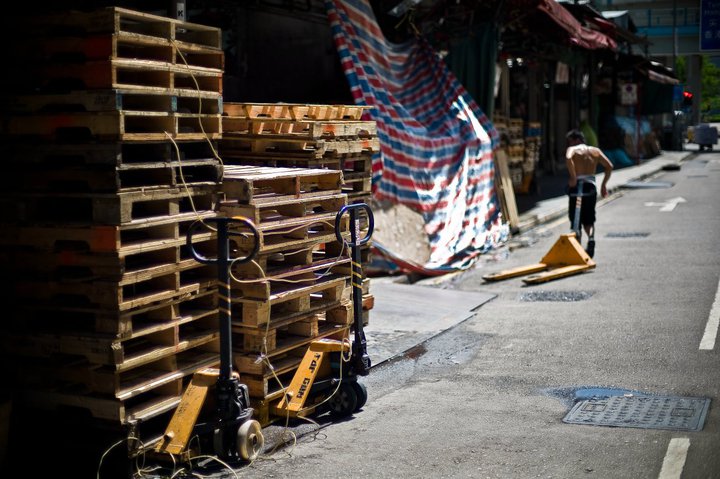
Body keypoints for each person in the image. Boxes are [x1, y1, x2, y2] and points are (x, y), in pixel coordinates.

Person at [565, 129, 613, 258]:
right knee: (589, 219)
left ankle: (578, 251)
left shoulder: (573, 150)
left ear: (576, 140)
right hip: (591, 188)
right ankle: (591, 238)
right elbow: (609, 166)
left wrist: (573, 177)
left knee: (576, 220)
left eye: (570, 141)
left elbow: (568, 158)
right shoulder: (595, 151)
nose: (569, 144)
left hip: (577, 189)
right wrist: (603, 185)